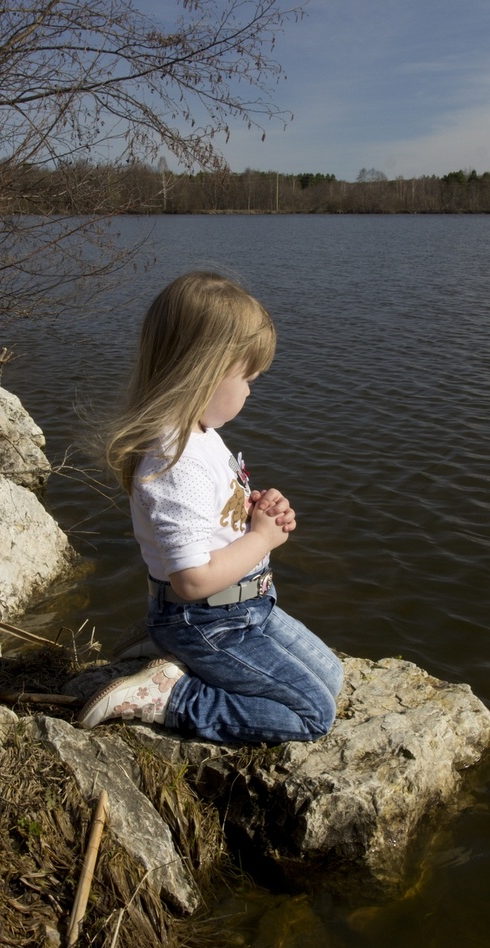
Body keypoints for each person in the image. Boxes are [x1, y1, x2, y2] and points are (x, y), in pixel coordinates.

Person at [77, 271, 343, 743]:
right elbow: (192, 578)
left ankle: (161, 645)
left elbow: (213, 519)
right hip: (206, 620)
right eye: (248, 379)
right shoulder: (172, 459)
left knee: (333, 678)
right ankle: (170, 698)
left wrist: (255, 512)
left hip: (249, 606)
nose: (250, 392)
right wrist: (262, 539)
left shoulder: (199, 435)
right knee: (313, 714)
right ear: (204, 371)